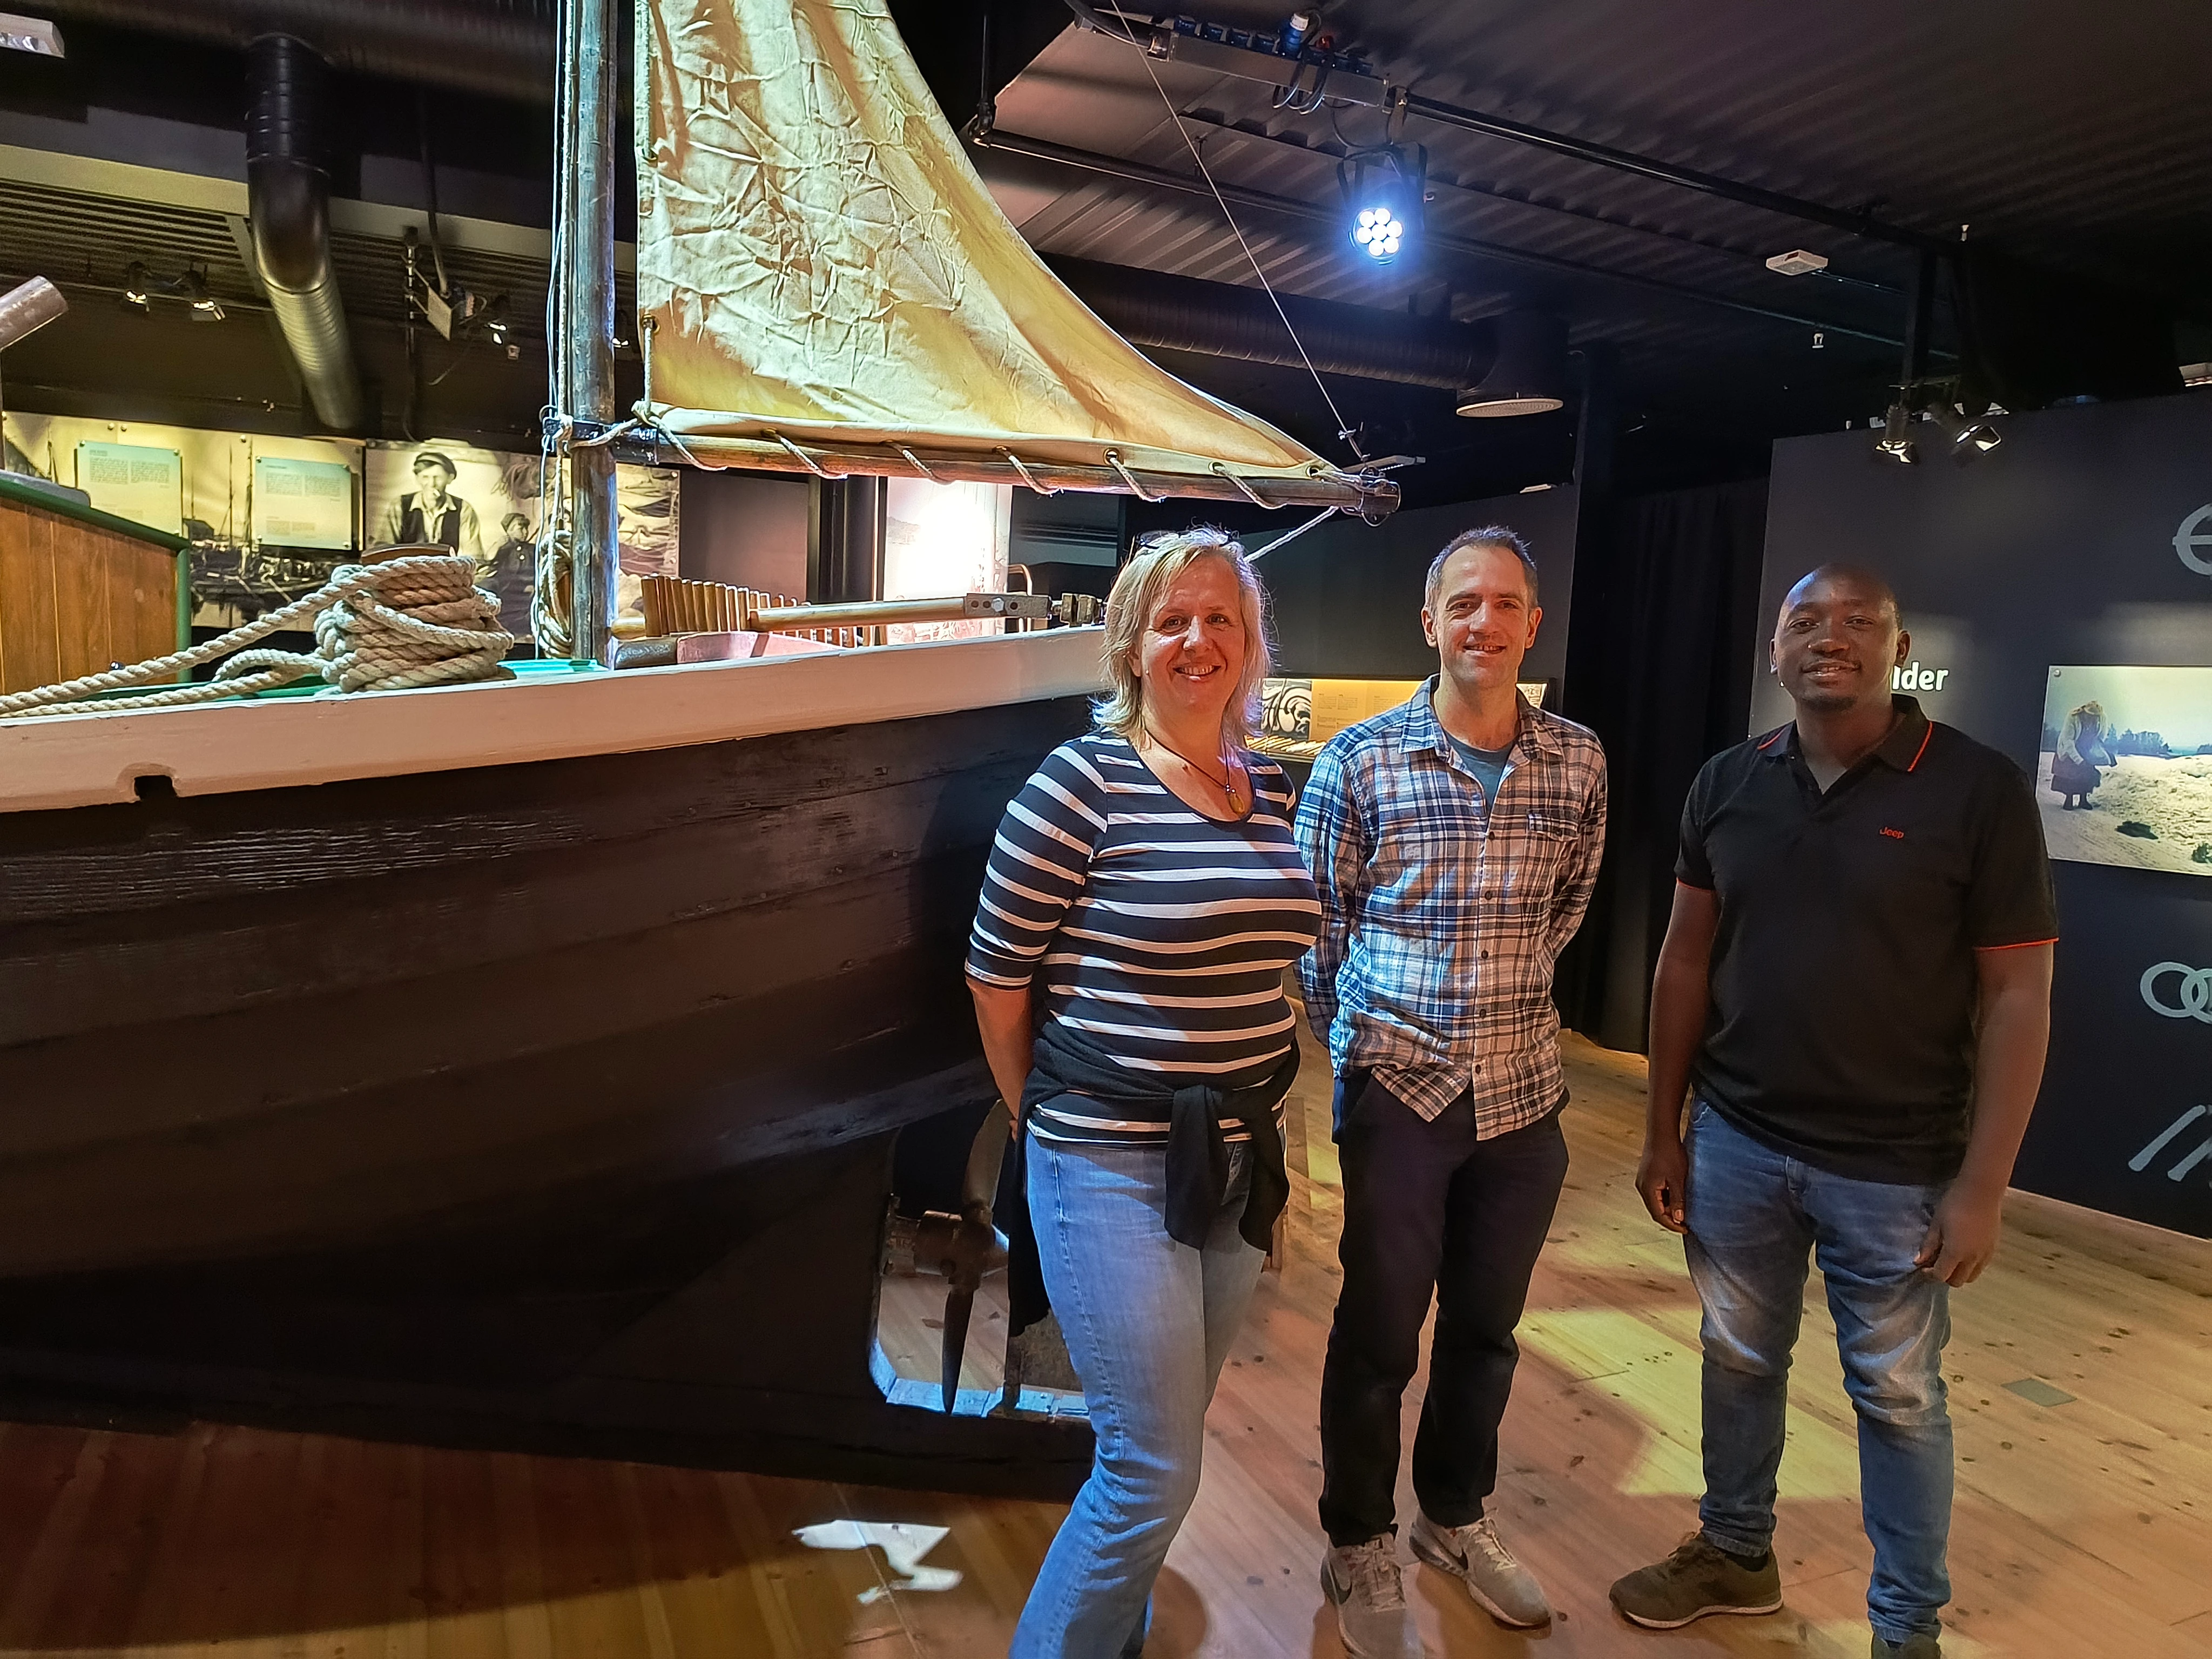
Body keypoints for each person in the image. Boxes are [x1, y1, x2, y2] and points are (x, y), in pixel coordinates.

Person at [1609, 565, 2056, 1659]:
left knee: (1898, 1398)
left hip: (1896, 1166)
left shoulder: (1977, 790)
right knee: (1735, 1361)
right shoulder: (1726, 781)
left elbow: (2016, 996)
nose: (1829, 639)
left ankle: (1904, 1627)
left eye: (1859, 623)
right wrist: (1664, 1127)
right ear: (1772, 651)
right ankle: (1734, 1553)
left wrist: (1981, 1188)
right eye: (1803, 621)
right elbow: (1682, 962)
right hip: (1737, 1145)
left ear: (1898, 651)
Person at [966, 528, 1321, 1659]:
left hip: (1231, 1159)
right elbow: (994, 974)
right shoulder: (1080, 783)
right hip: (1109, 1160)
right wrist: (1040, 1124)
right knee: (1150, 1467)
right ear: (1129, 645)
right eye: (1171, 619)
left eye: (1221, 619)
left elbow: (1269, 969)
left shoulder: (1259, 782)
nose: (1197, 639)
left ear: (1252, 644)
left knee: (1160, 1449)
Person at [1296, 525, 1608, 1657]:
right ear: (1427, 623)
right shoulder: (1358, 760)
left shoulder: (1577, 761)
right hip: (1400, 1091)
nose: (1484, 621)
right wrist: (1364, 1052)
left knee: (1486, 1331)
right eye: (1461, 603)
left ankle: (1451, 1519)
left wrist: (1495, 1007)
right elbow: (1316, 931)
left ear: (1533, 625)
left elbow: (1565, 909)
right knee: (1378, 1332)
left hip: (1524, 1095)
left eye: (1506, 603)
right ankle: (1356, 1536)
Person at [372, 450, 485, 567]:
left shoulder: (463, 509)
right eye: (425, 477)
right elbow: (383, 551)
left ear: (450, 478)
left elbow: (473, 558)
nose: (432, 484)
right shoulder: (400, 505)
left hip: (448, 578)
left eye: (438, 478)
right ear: (417, 478)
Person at [2050, 699, 2111, 809]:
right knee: (2071, 775)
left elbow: (2100, 739)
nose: (2092, 719)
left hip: (2087, 749)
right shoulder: (2073, 717)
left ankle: (2083, 800)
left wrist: (2105, 756)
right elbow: (2068, 741)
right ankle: (2069, 799)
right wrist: (2079, 760)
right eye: (2090, 716)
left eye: (2095, 717)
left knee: (2088, 773)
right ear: (2085, 712)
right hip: (2070, 749)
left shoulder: (2101, 719)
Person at [489, 510, 537, 640]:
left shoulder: (532, 549)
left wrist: (533, 585)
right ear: (509, 530)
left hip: (526, 586)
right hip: (506, 586)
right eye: (521, 528)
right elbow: (490, 559)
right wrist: (499, 544)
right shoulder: (505, 548)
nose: (525, 532)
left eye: (526, 528)